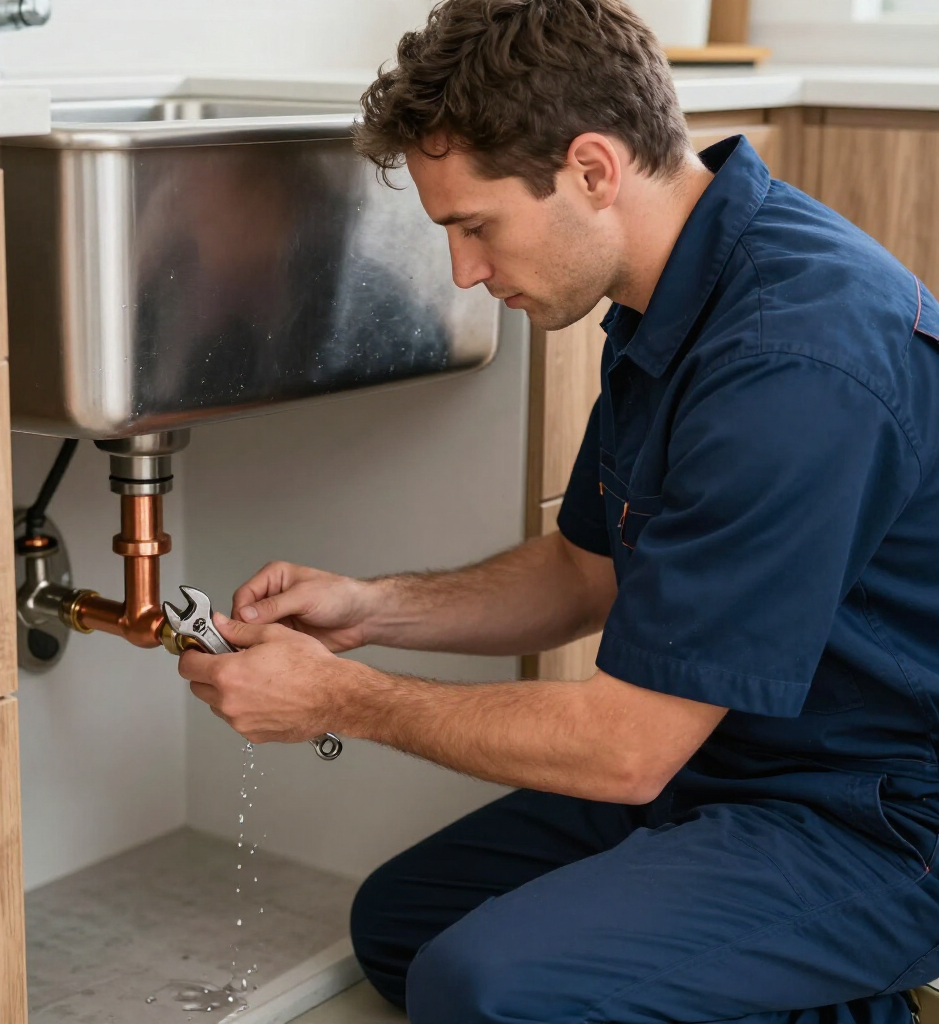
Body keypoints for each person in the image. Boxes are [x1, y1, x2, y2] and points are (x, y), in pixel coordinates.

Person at [178, 1, 939, 1021]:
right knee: (403, 925)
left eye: (474, 225)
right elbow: (585, 570)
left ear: (591, 169)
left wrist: (338, 698)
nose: (464, 271)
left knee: (483, 989)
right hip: (739, 757)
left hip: (880, 818)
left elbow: (627, 748)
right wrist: (369, 607)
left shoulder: (791, 359)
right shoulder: (672, 294)